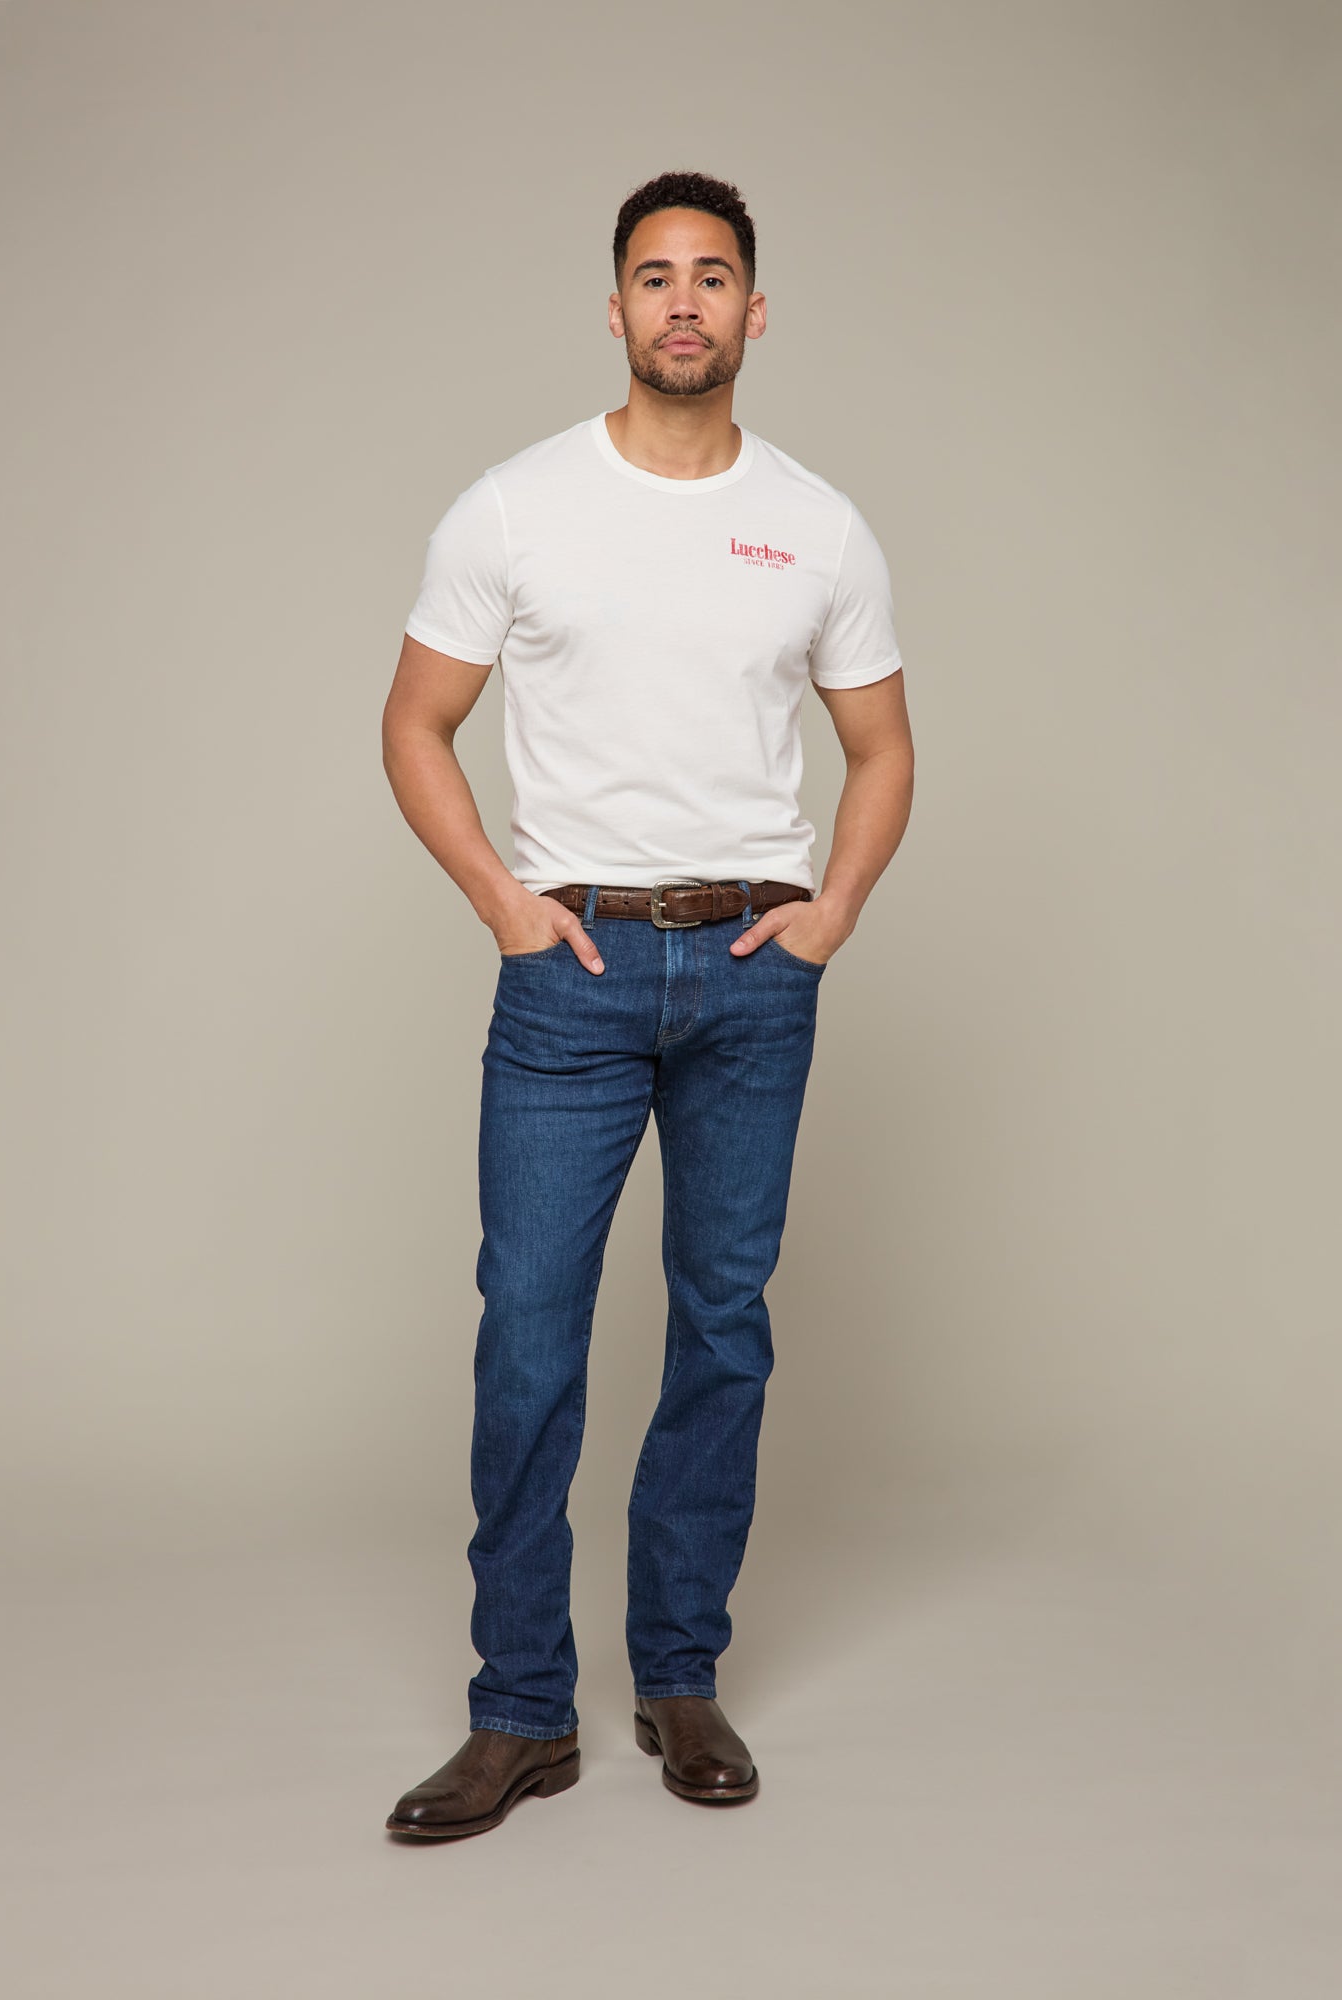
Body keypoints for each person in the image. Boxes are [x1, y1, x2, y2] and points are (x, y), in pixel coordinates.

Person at [379, 169, 914, 1839]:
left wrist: (830, 917)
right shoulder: (515, 508)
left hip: (753, 974)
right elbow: (414, 723)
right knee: (530, 1334)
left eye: (714, 275)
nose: (685, 300)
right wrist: (504, 905)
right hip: (577, 976)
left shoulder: (820, 525)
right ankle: (521, 1711)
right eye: (656, 275)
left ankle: (679, 1673)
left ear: (757, 311)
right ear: (613, 309)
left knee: (723, 1329)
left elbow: (882, 748)